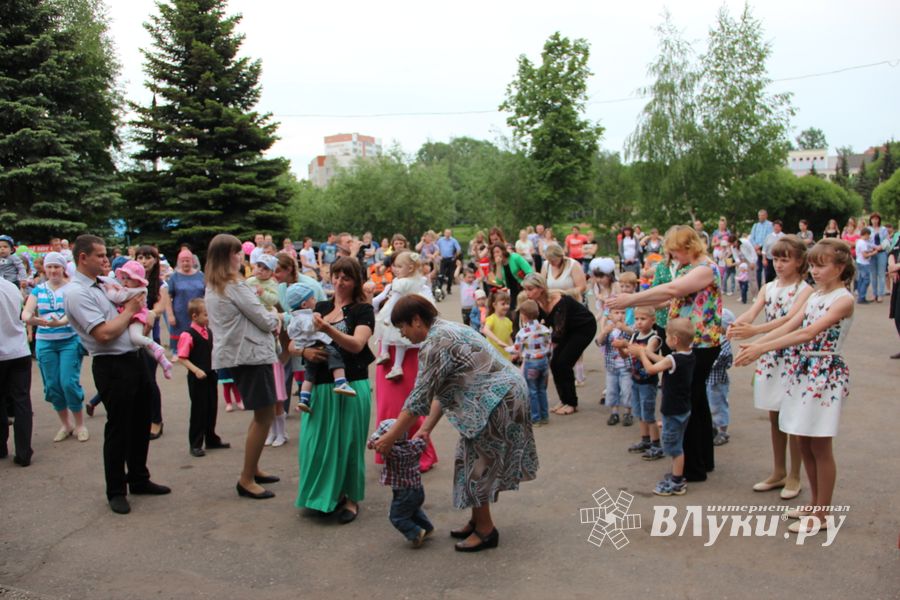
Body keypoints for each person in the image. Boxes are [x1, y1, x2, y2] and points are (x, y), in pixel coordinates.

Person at [372, 295, 538, 552]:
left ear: (416, 320)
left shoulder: (435, 343)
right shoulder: (446, 329)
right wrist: (425, 429)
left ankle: (486, 531)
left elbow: (417, 400)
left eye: (402, 327)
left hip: (497, 400)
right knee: (469, 459)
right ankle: (477, 520)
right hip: (502, 396)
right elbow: (443, 391)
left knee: (477, 465)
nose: (402, 334)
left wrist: (390, 437)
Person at [734, 239, 855, 536]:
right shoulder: (816, 295)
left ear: (840, 267)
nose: (814, 271)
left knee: (820, 444)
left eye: (821, 265)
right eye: (812, 265)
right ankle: (814, 505)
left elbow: (808, 332)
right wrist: (756, 344)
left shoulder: (843, 299)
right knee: (802, 439)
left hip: (824, 372)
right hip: (803, 370)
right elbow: (789, 325)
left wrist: (761, 348)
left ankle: (823, 513)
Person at [607, 225, 722, 482]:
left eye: (675, 251)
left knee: (687, 402)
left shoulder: (705, 268)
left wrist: (631, 299)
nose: (673, 257)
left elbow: (672, 290)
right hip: (689, 341)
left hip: (699, 343)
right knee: (697, 401)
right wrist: (645, 304)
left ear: (689, 247)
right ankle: (702, 460)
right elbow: (672, 298)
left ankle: (692, 468)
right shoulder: (688, 267)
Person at [65, 235, 171, 513]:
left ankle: (139, 478)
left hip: (134, 358)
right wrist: (133, 310)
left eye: (105, 255)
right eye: (100, 255)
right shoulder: (77, 292)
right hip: (112, 365)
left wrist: (142, 314)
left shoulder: (105, 283)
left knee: (140, 421)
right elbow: (103, 333)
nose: (106, 259)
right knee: (119, 428)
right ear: (82, 258)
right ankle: (116, 490)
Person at [728, 235, 813, 499]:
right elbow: (752, 312)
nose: (778, 264)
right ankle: (778, 471)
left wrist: (755, 332)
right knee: (774, 416)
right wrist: (734, 325)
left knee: (792, 418)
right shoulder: (768, 287)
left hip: (792, 355)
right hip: (770, 357)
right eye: (775, 259)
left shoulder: (805, 290)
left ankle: (795, 475)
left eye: (785, 259)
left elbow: (790, 320)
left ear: (799, 261)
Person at [293, 257, 375, 522]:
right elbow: (293, 342)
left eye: (346, 278)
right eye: (336, 276)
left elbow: (357, 345)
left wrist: (328, 329)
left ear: (356, 281)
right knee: (315, 444)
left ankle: (351, 499)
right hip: (319, 386)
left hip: (351, 383)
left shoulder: (363, 310)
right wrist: (304, 352)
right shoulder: (321, 306)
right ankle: (321, 495)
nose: (339, 282)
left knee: (349, 444)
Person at [204, 233, 281, 500]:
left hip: (241, 354)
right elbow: (263, 319)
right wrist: (277, 317)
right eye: (237, 253)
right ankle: (246, 479)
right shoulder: (233, 285)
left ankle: (253, 468)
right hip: (250, 355)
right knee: (264, 415)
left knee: (261, 415)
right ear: (227, 256)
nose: (242, 257)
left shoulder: (215, 284)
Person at [21, 252, 88, 442]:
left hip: (69, 340)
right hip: (45, 342)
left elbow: (73, 313)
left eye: (56, 267)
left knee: (68, 383)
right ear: (45, 269)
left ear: (63, 268)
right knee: (52, 385)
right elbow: (26, 313)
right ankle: (66, 424)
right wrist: (33, 319)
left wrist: (60, 322)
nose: (53, 270)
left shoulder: (71, 288)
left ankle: (80, 424)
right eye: (49, 267)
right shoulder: (38, 290)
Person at [628, 318, 696, 496]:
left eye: (667, 336)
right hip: (683, 407)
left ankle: (677, 481)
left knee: (674, 448)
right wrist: (647, 352)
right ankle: (676, 474)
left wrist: (642, 354)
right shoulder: (688, 355)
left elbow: (651, 369)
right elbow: (664, 361)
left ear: (675, 340)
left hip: (672, 409)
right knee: (677, 441)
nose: (665, 339)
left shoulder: (673, 358)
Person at [523, 272, 597, 416]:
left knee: (563, 362)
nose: (527, 293)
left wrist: (545, 351)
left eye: (530, 289)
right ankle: (564, 400)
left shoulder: (559, 302)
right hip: (567, 329)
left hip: (583, 328)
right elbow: (539, 326)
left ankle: (571, 403)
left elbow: (558, 333)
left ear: (541, 289)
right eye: (525, 289)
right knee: (555, 363)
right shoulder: (538, 303)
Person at [285, 282, 356, 412]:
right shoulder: (305, 317)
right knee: (335, 356)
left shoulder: (294, 318)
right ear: (304, 304)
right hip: (318, 344)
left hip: (306, 347)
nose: (315, 300)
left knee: (309, 375)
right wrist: (316, 320)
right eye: (312, 298)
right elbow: (310, 328)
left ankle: (304, 400)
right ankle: (341, 382)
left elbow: (291, 334)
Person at [99, 260, 174, 379]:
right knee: (147, 348)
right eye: (123, 278)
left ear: (138, 281)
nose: (125, 281)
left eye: (129, 278)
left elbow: (117, 297)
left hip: (137, 318)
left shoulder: (136, 290)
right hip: (141, 317)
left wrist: (108, 289)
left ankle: (156, 346)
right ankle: (164, 363)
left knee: (136, 338)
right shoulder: (134, 289)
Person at [368, 418, 434, 548]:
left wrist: (377, 440)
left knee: (397, 517)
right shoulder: (414, 445)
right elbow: (423, 441)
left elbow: (374, 444)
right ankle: (427, 528)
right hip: (417, 489)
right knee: (413, 511)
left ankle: (416, 533)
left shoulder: (392, 452)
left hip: (403, 492)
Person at [177, 298, 229, 458]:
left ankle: (211, 438)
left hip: (211, 374)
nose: (208, 317)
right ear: (194, 316)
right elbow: (182, 358)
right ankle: (196, 443)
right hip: (197, 377)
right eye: (205, 314)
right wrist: (196, 370)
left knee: (211, 407)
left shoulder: (208, 332)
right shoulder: (188, 335)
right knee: (198, 410)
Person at [373, 251, 430, 380]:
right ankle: (396, 366)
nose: (395, 269)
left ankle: (385, 353)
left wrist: (387, 316)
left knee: (388, 331)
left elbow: (393, 301)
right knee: (400, 340)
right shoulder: (418, 281)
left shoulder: (400, 283)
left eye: (399, 266)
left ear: (410, 268)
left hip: (397, 313)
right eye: (394, 266)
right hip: (409, 315)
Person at [133, 246, 170, 437]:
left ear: (155, 260)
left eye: (148, 257)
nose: (144, 261)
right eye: (140, 257)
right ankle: (141, 418)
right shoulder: (129, 282)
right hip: (128, 339)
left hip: (149, 339)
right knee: (134, 381)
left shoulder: (160, 284)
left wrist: (150, 313)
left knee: (149, 380)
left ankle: (156, 420)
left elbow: (160, 307)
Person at [0, 275, 33, 466]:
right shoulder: (11, 287)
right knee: (22, 400)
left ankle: (1, 446)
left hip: (6, 351)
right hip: (19, 350)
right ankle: (23, 451)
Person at [625, 306, 663, 460]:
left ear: (653, 320)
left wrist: (635, 350)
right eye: (637, 319)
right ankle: (645, 440)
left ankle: (656, 445)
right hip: (635, 379)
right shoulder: (635, 335)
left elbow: (646, 352)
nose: (639, 322)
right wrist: (622, 347)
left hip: (648, 381)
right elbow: (627, 353)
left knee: (648, 414)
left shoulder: (654, 338)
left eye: (643, 319)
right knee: (639, 412)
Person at [509, 300, 551, 426]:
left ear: (523, 316)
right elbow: (549, 346)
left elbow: (516, 349)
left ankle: (535, 418)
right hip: (543, 361)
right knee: (542, 389)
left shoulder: (523, 332)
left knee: (532, 391)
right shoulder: (545, 329)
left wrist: (506, 348)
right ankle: (545, 415)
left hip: (531, 362)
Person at [597, 306, 634, 426]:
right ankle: (614, 413)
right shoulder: (609, 329)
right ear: (610, 315)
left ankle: (627, 413)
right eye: (616, 313)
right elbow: (599, 342)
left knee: (627, 390)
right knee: (612, 390)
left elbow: (634, 334)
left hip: (626, 367)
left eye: (623, 313)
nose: (620, 315)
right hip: (611, 367)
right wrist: (604, 332)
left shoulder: (629, 327)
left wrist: (624, 328)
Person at [166, 248, 206, 353]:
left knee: (198, 341)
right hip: (180, 316)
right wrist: (170, 315)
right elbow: (167, 296)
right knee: (180, 346)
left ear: (192, 261)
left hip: (198, 314)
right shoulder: (174, 277)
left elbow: (207, 294)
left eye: (187, 260)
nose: (185, 263)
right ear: (179, 262)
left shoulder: (201, 276)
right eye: (182, 261)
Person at [707, 308, 735, 446]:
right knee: (709, 404)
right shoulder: (710, 339)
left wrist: (705, 362)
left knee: (718, 405)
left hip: (717, 380)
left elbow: (723, 360)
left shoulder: (724, 341)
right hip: (708, 379)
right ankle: (712, 428)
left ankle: (722, 431)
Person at [486, 244, 533, 312]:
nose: (496, 254)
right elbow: (499, 282)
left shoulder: (515, 257)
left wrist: (526, 285)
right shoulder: (497, 264)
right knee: (513, 311)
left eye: (497, 252)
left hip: (523, 288)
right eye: (494, 253)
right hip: (512, 291)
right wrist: (498, 265)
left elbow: (529, 271)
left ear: (503, 251)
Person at [482, 290, 513, 361]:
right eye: (503, 304)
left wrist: (513, 349)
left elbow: (508, 337)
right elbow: (485, 330)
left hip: (505, 355)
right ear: (494, 305)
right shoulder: (492, 319)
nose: (506, 306)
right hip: (493, 354)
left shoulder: (508, 321)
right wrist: (498, 341)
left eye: (508, 303)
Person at [750, 210, 774, 291]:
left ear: (766, 216)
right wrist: (755, 246)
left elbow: (769, 238)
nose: (761, 217)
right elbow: (752, 238)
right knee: (758, 270)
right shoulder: (756, 225)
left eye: (762, 215)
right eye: (759, 215)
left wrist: (760, 246)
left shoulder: (770, 225)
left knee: (767, 270)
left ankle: (767, 287)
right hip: (756, 249)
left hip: (765, 250)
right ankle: (759, 287)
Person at [868, 213, 889, 301]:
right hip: (872, 252)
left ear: (879, 220)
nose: (875, 221)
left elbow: (887, 240)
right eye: (873, 219)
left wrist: (880, 247)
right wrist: (873, 247)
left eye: (876, 219)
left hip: (881, 252)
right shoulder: (868, 229)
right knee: (873, 274)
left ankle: (880, 294)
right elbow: (866, 240)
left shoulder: (883, 229)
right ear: (871, 220)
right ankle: (874, 294)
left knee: (881, 274)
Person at [854, 228, 877, 303]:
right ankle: (862, 297)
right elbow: (865, 256)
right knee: (866, 280)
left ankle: (860, 296)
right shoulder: (863, 243)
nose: (869, 237)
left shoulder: (858, 241)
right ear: (866, 234)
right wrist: (873, 253)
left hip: (859, 262)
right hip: (864, 263)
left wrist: (869, 251)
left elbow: (862, 252)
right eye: (868, 235)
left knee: (861, 280)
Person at [436, 229, 461, 295]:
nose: (447, 234)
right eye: (446, 233)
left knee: (451, 275)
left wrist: (455, 256)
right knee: (441, 274)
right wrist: (438, 255)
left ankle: (449, 289)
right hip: (443, 259)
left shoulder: (453, 240)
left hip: (451, 259)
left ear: (450, 234)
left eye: (449, 233)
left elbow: (458, 249)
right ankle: (439, 288)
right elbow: (436, 248)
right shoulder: (440, 240)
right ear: (444, 233)